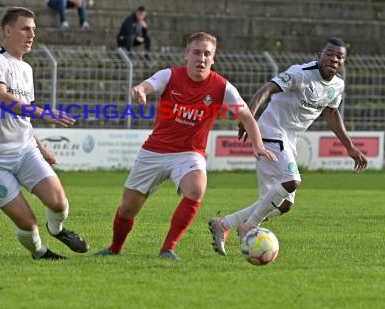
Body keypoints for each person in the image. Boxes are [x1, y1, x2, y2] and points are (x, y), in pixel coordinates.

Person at [92, 31, 276, 260]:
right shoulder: (170, 75)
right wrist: (141, 90)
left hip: (189, 153)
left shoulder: (221, 87)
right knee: (128, 208)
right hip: (154, 151)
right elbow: (149, 84)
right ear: (186, 55)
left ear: (213, 59)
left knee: (197, 188)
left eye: (207, 54)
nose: (202, 58)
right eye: (196, 52)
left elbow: (247, 116)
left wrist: (257, 145)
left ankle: (168, 249)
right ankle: (114, 248)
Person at [208, 37, 368, 256]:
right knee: (292, 181)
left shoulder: (337, 85)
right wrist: (249, 119)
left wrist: (349, 146)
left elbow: (331, 113)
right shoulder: (300, 73)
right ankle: (248, 227)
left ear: (343, 63)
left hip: (289, 140)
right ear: (319, 55)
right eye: (329, 53)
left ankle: (224, 224)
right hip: (270, 131)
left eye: (339, 57)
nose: (334, 59)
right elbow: (266, 89)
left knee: (283, 205)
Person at [0, 7, 89, 260]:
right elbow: (0, 98)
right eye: (26, 29)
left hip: (25, 150)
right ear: (8, 30)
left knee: (59, 203)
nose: (32, 34)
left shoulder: (27, 69)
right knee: (27, 223)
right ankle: (40, 252)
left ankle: (56, 229)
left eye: (34, 30)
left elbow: (22, 115)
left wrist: (41, 146)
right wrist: (43, 112)